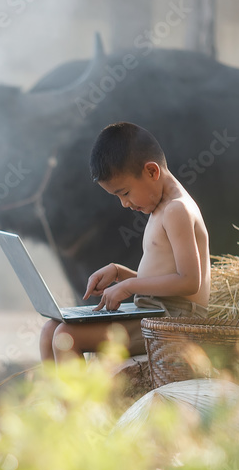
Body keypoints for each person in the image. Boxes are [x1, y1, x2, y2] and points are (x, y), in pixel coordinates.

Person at [39, 121, 210, 365]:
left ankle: (81, 404)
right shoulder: (160, 208)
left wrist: (130, 286)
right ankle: (55, 404)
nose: (124, 203)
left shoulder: (177, 210)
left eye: (125, 192)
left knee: (66, 336)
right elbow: (165, 276)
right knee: (49, 330)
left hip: (175, 322)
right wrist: (121, 273)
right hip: (154, 314)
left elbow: (189, 282)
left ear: (152, 171)